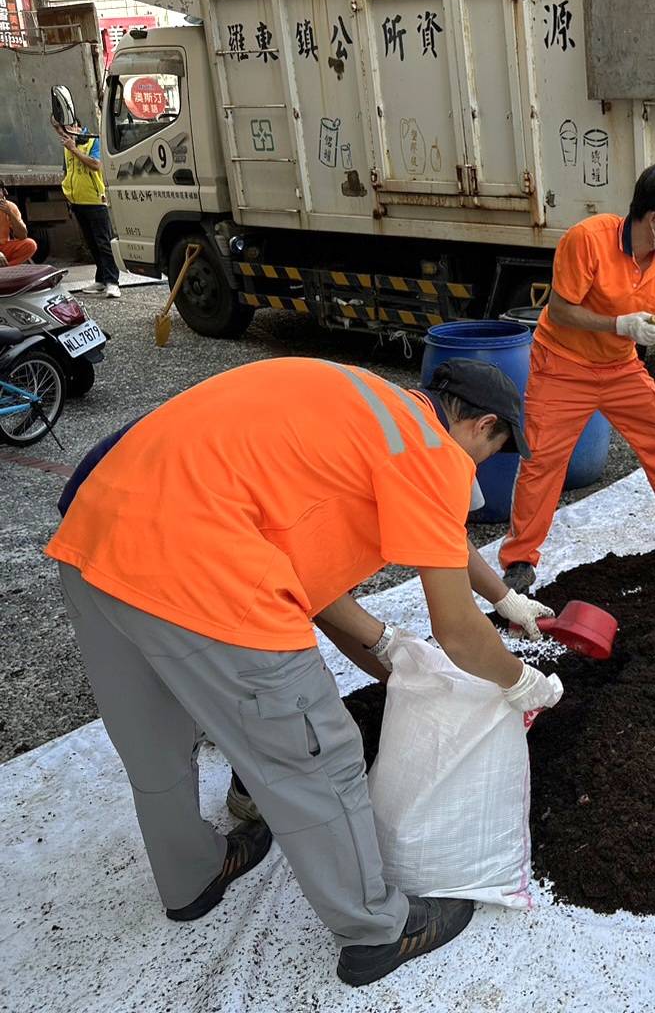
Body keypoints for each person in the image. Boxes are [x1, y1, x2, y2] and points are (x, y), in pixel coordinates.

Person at [46, 357, 563, 987]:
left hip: (94, 538)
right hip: (199, 569)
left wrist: (488, 606)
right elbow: (455, 631)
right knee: (321, 755)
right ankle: (378, 930)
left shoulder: (364, 413)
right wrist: (519, 682)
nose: (480, 469)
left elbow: (334, 578)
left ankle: (191, 877)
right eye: (493, 451)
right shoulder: (431, 452)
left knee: (157, 744)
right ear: (482, 424)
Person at [499, 163, 655, 593]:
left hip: (619, 367)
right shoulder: (588, 240)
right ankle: (519, 559)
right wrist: (620, 325)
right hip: (562, 365)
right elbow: (559, 310)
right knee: (542, 460)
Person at [54, 114, 120, 298]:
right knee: (92, 243)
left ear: (76, 125)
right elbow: (67, 171)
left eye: (65, 129)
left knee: (103, 242)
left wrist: (74, 149)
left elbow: (96, 164)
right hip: (77, 201)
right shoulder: (68, 146)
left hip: (95, 200)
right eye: (60, 130)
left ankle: (113, 281)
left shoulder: (92, 141)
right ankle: (101, 279)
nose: (62, 133)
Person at [0, 185, 38, 266]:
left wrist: (10, 213)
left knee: (30, 244)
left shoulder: (9, 206)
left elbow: (22, 236)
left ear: (4, 192)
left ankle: (6, 269)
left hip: (4, 248)